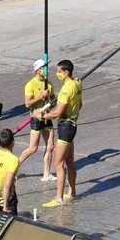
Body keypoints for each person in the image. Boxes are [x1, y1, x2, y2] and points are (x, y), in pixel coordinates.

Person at [37, 59, 82, 207]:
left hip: (65, 127)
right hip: (72, 125)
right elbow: (80, 105)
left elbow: (58, 112)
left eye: (59, 72)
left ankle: (59, 198)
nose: (57, 74)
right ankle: (72, 193)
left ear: (66, 72)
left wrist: (42, 116)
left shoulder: (66, 88)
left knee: (58, 163)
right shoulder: (77, 84)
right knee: (69, 162)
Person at [19, 59, 55, 180]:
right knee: (33, 148)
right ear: (38, 70)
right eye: (44, 67)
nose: (46, 70)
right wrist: (41, 97)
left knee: (50, 146)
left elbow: (53, 100)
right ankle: (14, 167)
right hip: (36, 119)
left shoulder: (49, 84)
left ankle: (47, 174)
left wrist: (49, 105)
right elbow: (27, 104)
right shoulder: (30, 85)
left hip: (47, 117)